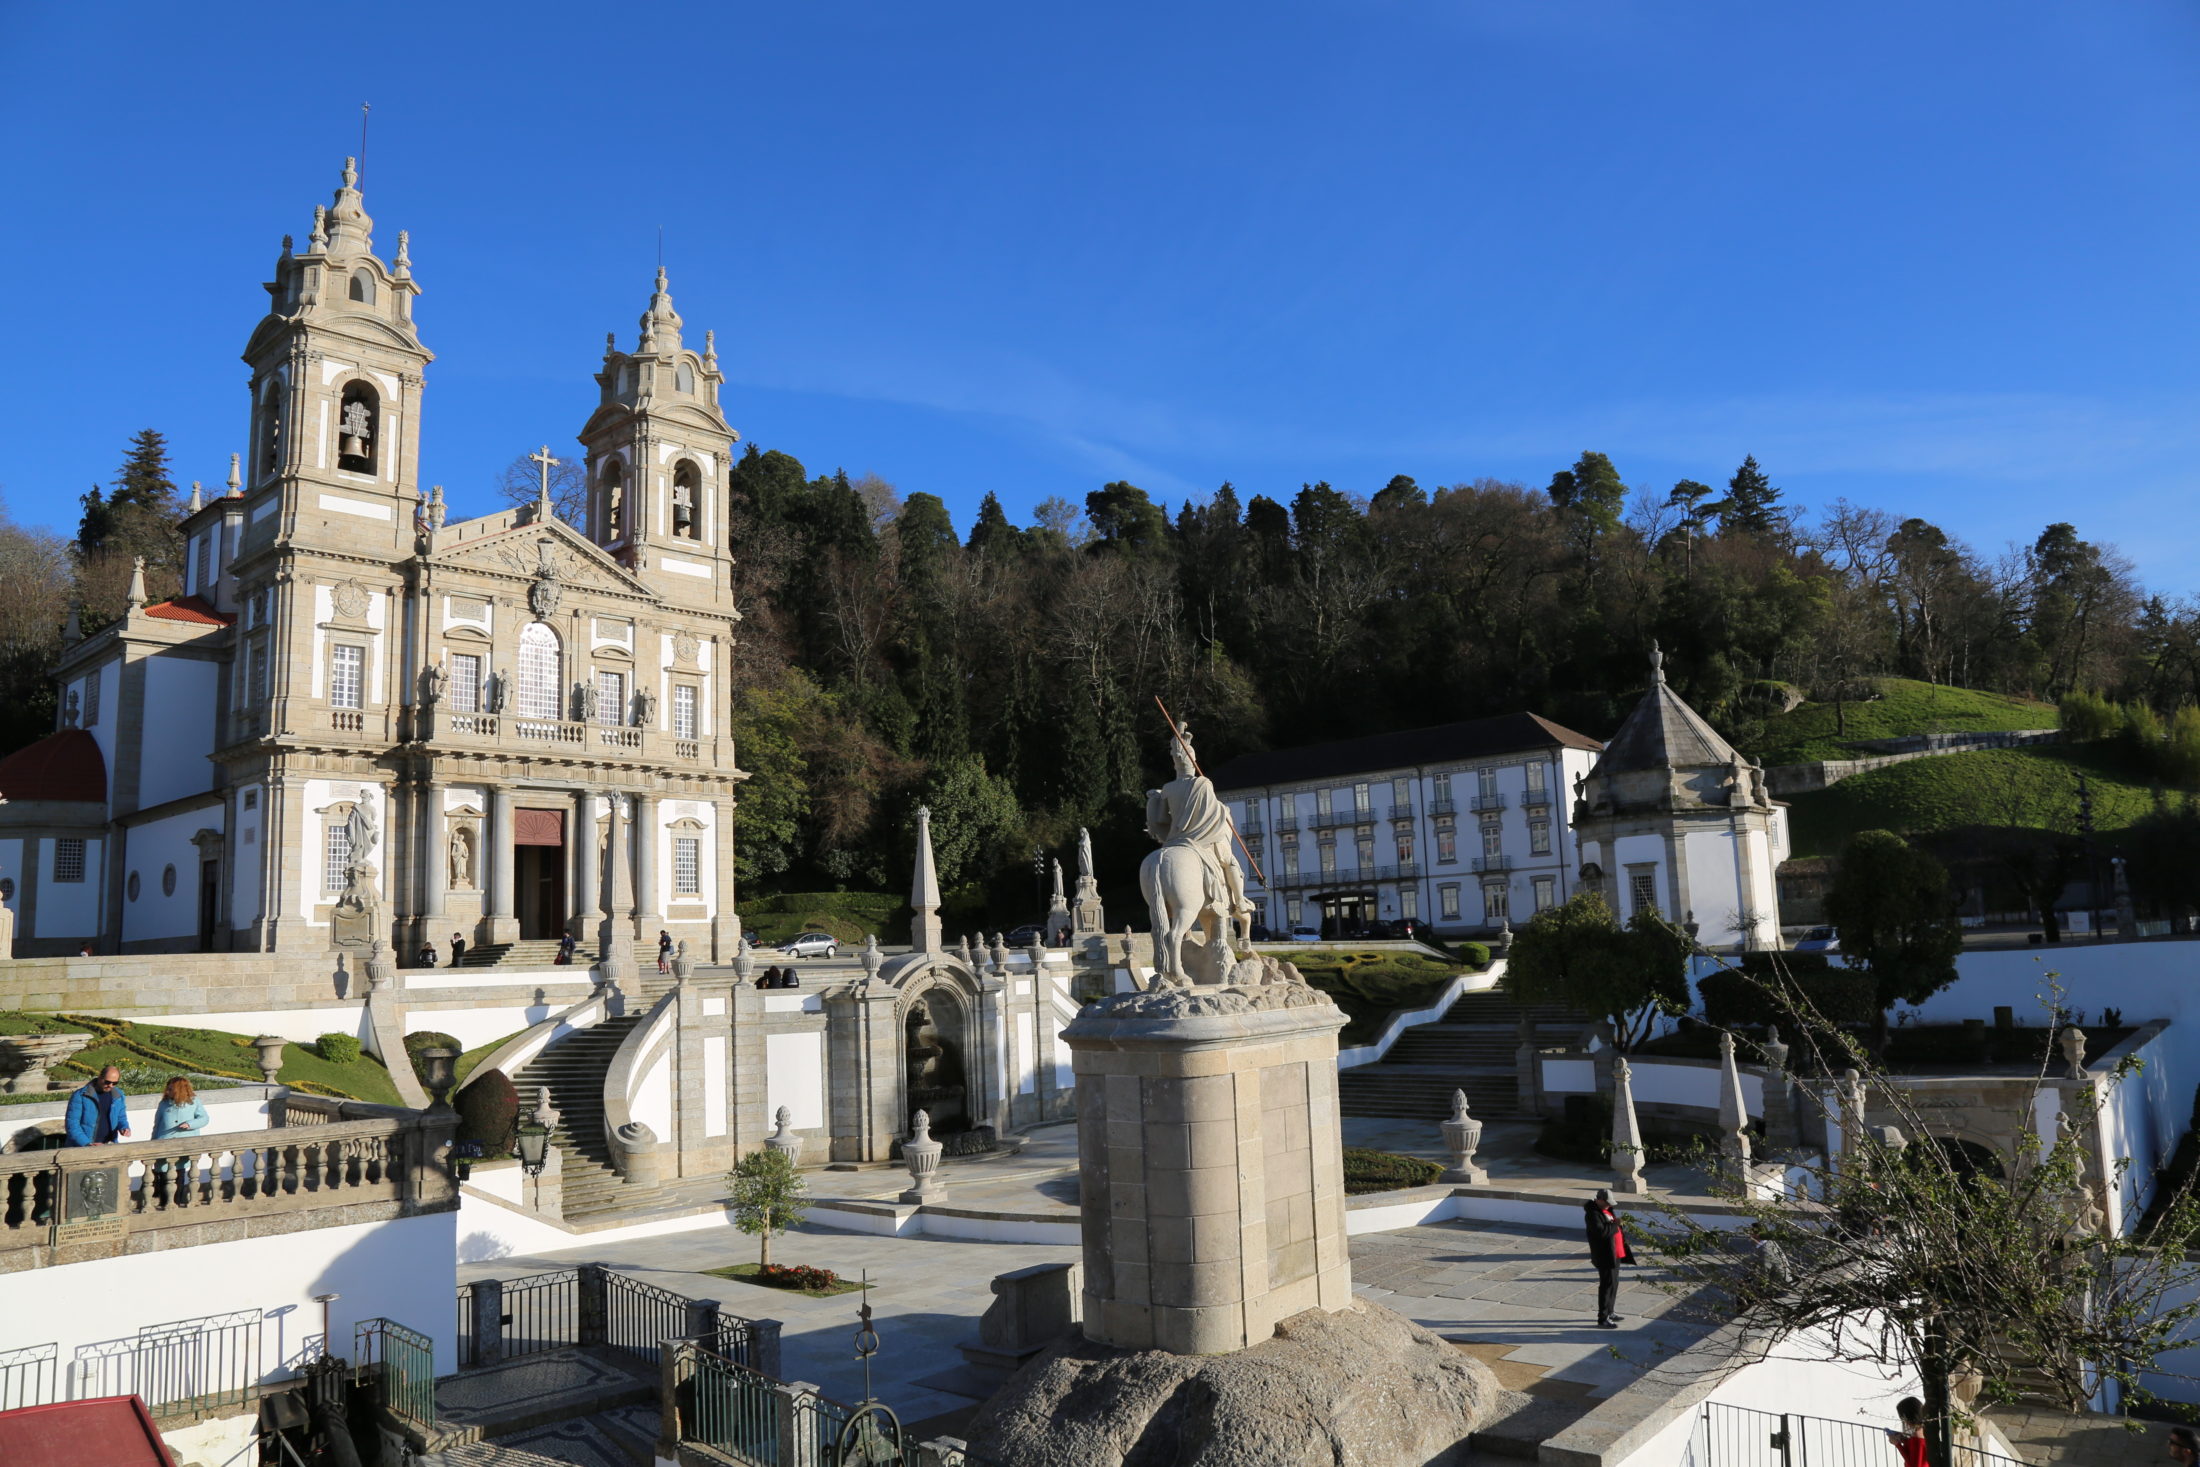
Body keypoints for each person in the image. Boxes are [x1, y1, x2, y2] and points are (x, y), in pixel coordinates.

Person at [1583, 1188, 1630, 1328]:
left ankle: (1611, 1311)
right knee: (1606, 1286)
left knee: (1614, 1284)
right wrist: (1615, 1224)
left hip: (1615, 1253)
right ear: (1599, 1200)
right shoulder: (1592, 1214)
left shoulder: (1607, 1210)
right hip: (1605, 1255)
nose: (1610, 1205)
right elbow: (1601, 1233)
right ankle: (1602, 1318)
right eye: (1607, 1203)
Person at [65, 1065, 132, 1146]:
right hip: (83, 1148)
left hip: (109, 1146)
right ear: (100, 1077)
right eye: (107, 1082)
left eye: (114, 1083)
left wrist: (124, 1127)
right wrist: (88, 1144)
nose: (110, 1085)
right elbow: (72, 1126)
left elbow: (121, 1117)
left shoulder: (118, 1095)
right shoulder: (80, 1096)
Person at [152, 1076, 210, 1141]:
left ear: (180, 1090)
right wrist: (152, 1141)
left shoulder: (194, 1101)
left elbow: (204, 1118)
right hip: (164, 1143)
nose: (167, 1092)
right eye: (167, 1089)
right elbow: (157, 1125)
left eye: (171, 1089)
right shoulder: (163, 1103)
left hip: (188, 1143)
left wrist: (189, 1124)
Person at [1885, 1397, 1927, 1467]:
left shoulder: (1917, 1436)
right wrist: (1904, 1440)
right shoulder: (1923, 1431)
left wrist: (1897, 1444)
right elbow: (1914, 1454)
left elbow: (1913, 1464)